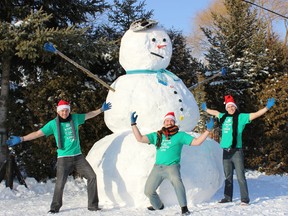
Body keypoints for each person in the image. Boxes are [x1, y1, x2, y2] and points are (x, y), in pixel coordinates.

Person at [6, 99, 112, 214]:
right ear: (58, 111)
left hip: (78, 157)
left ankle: (93, 205)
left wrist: (101, 110)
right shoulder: (52, 124)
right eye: (62, 111)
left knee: (92, 176)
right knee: (60, 184)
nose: (64, 113)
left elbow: (88, 115)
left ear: (69, 111)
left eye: (66, 111)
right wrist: (21, 139)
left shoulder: (75, 118)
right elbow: (37, 134)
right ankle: (54, 207)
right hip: (63, 158)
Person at [130, 111, 214, 216]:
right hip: (158, 168)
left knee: (178, 184)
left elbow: (197, 142)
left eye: (171, 120)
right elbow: (140, 138)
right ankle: (158, 206)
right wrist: (133, 125)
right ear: (164, 122)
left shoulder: (180, 135)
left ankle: (184, 208)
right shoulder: (158, 135)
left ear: (174, 123)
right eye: (167, 120)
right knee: (148, 191)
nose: (169, 122)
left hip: (172, 167)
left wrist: (207, 130)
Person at [201, 95, 275, 205]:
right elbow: (216, 112)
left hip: (236, 151)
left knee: (240, 176)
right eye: (229, 107)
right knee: (228, 176)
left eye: (233, 107)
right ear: (226, 108)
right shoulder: (223, 117)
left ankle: (244, 199)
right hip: (226, 151)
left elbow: (255, 114)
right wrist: (206, 109)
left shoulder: (241, 117)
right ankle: (227, 197)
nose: (231, 108)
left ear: (235, 107)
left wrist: (266, 108)